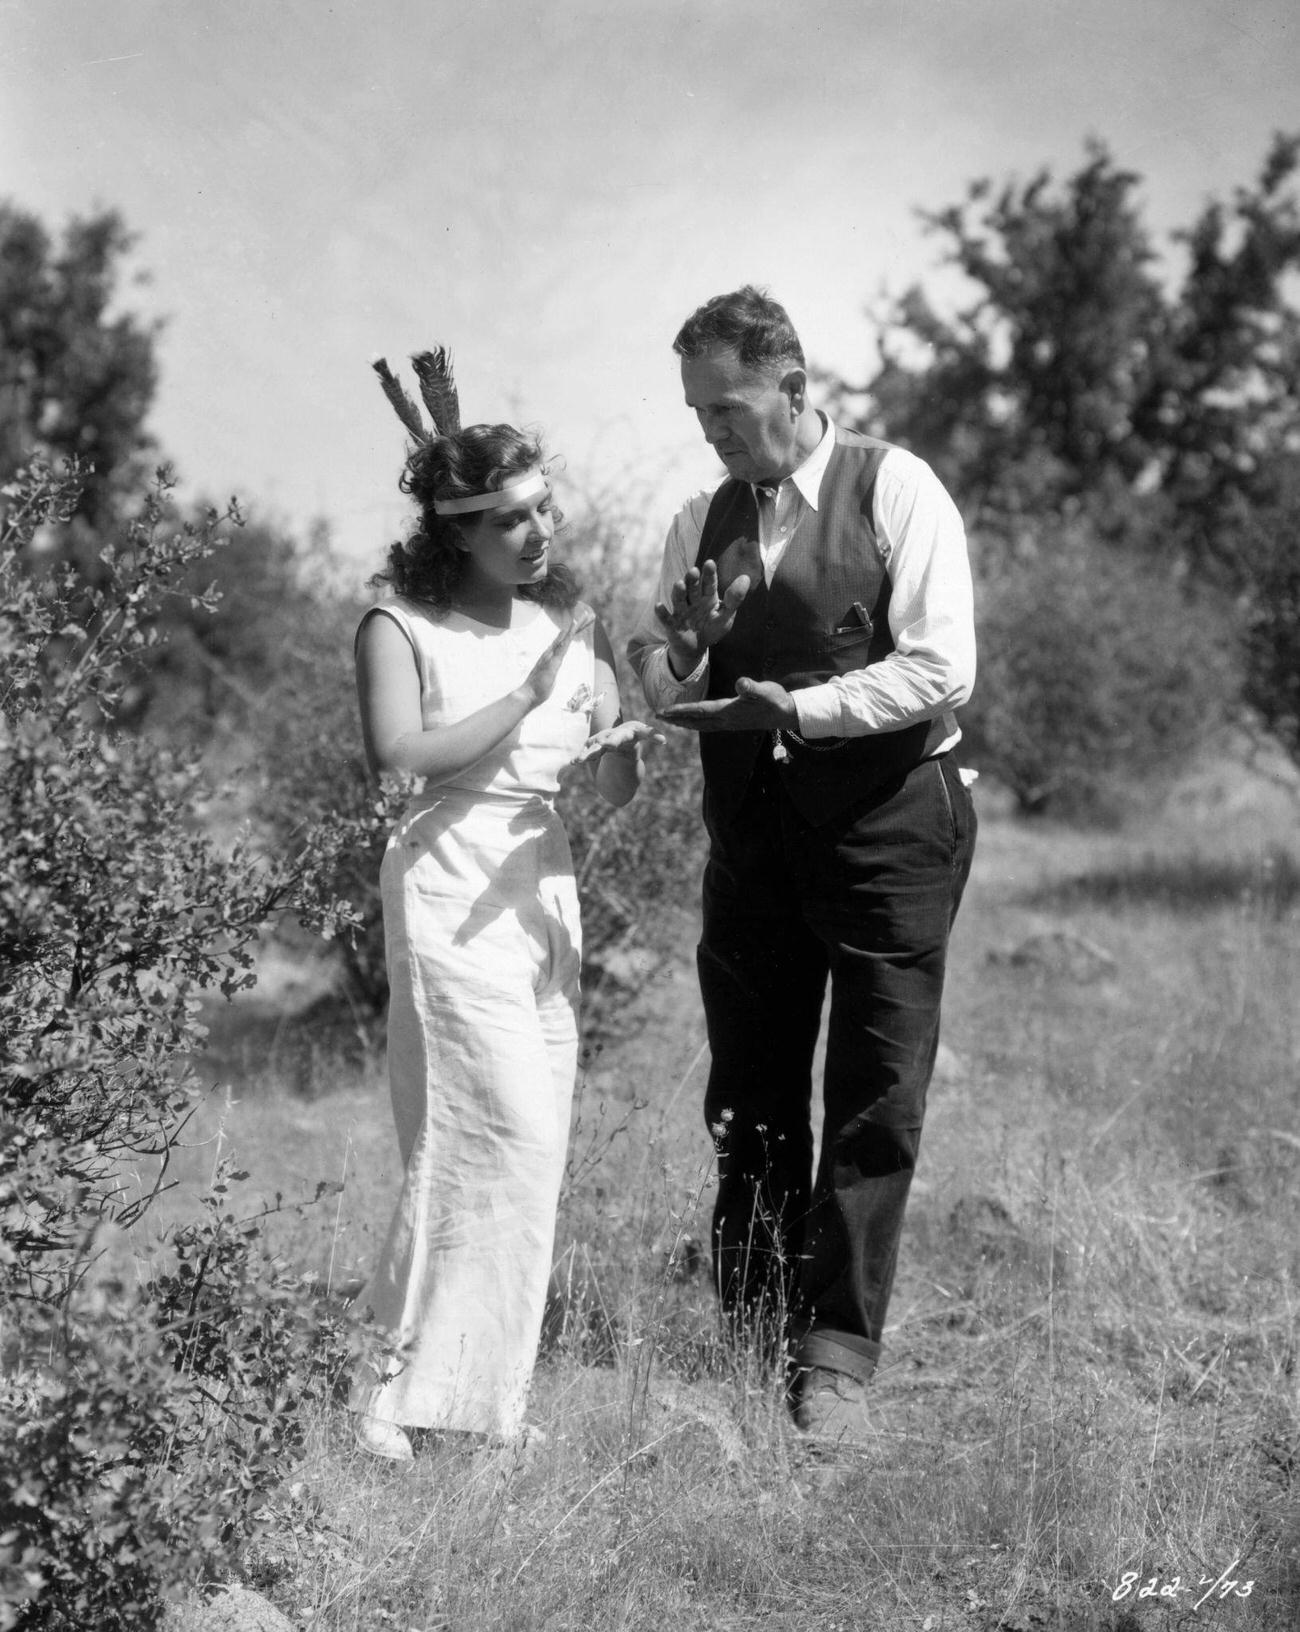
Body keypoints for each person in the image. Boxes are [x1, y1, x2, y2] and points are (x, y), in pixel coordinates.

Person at [628, 287, 977, 1447]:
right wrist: (670, 661)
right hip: (753, 836)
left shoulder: (895, 487)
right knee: (751, 1085)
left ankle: (834, 1357)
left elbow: (941, 668)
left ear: (793, 386)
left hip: (889, 825)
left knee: (875, 1089)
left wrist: (811, 708)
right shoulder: (701, 517)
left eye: (726, 406)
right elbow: (664, 681)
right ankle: (749, 1328)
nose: (712, 431)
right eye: (696, 412)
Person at [352, 351, 659, 1460]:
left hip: (543, 892)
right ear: (454, 534)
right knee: (477, 1134)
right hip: (445, 881)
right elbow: (400, 758)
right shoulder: (399, 624)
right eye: (509, 521)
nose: (537, 536)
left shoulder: (568, 623)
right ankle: (386, 1397)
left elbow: (605, 786)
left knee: (530, 1149)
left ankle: (484, 1402)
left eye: (544, 510)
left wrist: (625, 750)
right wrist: (526, 698)